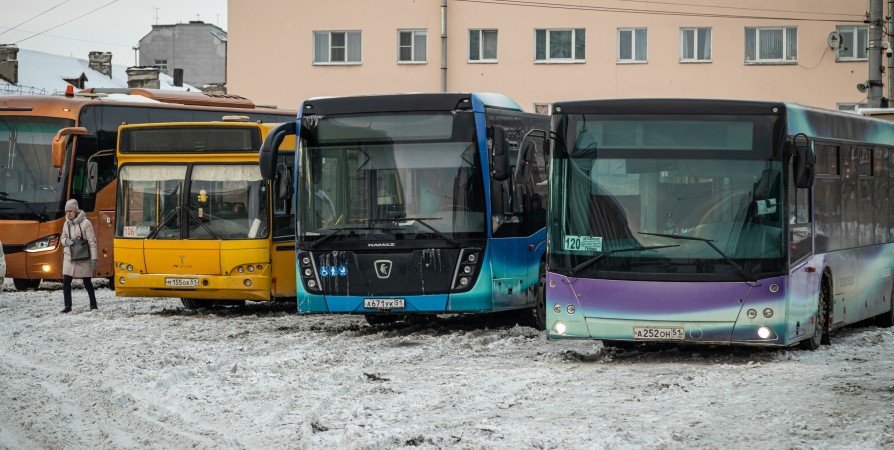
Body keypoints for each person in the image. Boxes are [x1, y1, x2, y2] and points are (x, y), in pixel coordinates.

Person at [60, 199, 97, 312]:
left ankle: (93, 304)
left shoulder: (86, 223)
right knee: (66, 281)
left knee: (87, 282)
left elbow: (92, 241)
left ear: (76, 211)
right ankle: (67, 306)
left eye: (70, 211)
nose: (68, 213)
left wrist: (94, 258)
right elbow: (62, 238)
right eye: (67, 211)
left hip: (83, 256)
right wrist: (66, 241)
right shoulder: (66, 223)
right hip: (69, 256)